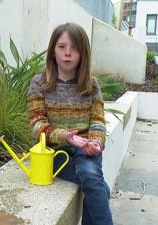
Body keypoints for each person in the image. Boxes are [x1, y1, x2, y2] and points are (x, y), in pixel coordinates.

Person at [27, 22, 113, 225]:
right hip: (56, 153)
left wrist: (96, 143)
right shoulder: (39, 84)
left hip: (85, 150)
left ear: (83, 53)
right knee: (100, 188)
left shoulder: (92, 86)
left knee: (91, 177)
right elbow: (37, 124)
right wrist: (65, 137)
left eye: (74, 48)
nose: (68, 53)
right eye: (62, 46)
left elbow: (98, 122)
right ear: (52, 51)